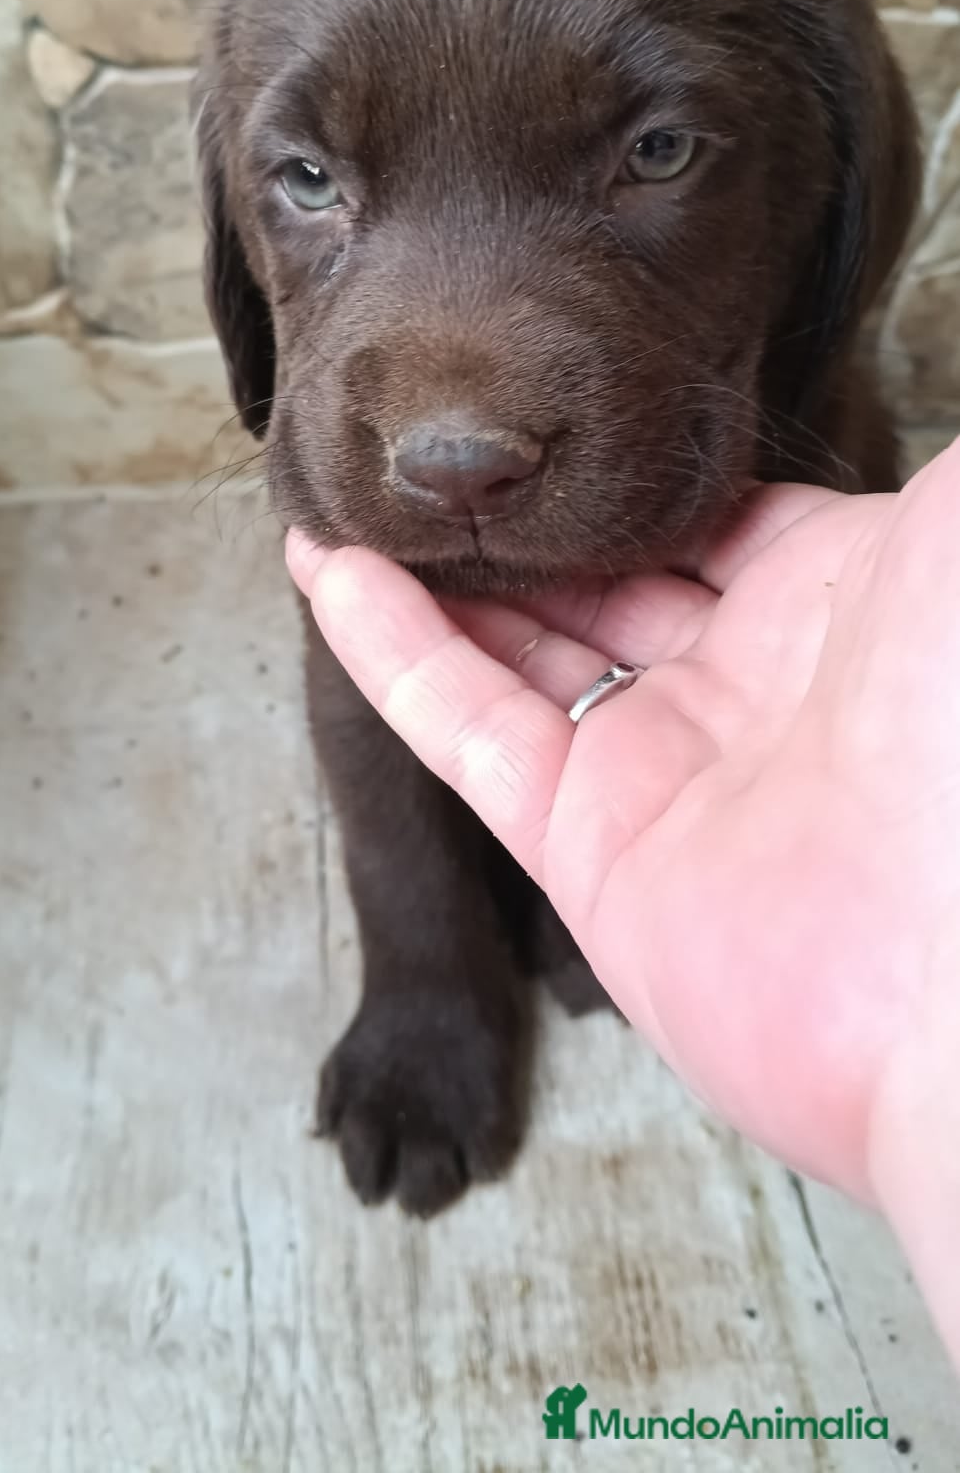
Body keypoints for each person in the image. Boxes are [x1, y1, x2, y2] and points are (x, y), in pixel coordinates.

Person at [286, 437, 960, 1368]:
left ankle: (594, 880)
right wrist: (422, 982)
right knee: (393, 646)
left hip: (757, 501)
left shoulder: (850, 540)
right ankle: (441, 982)